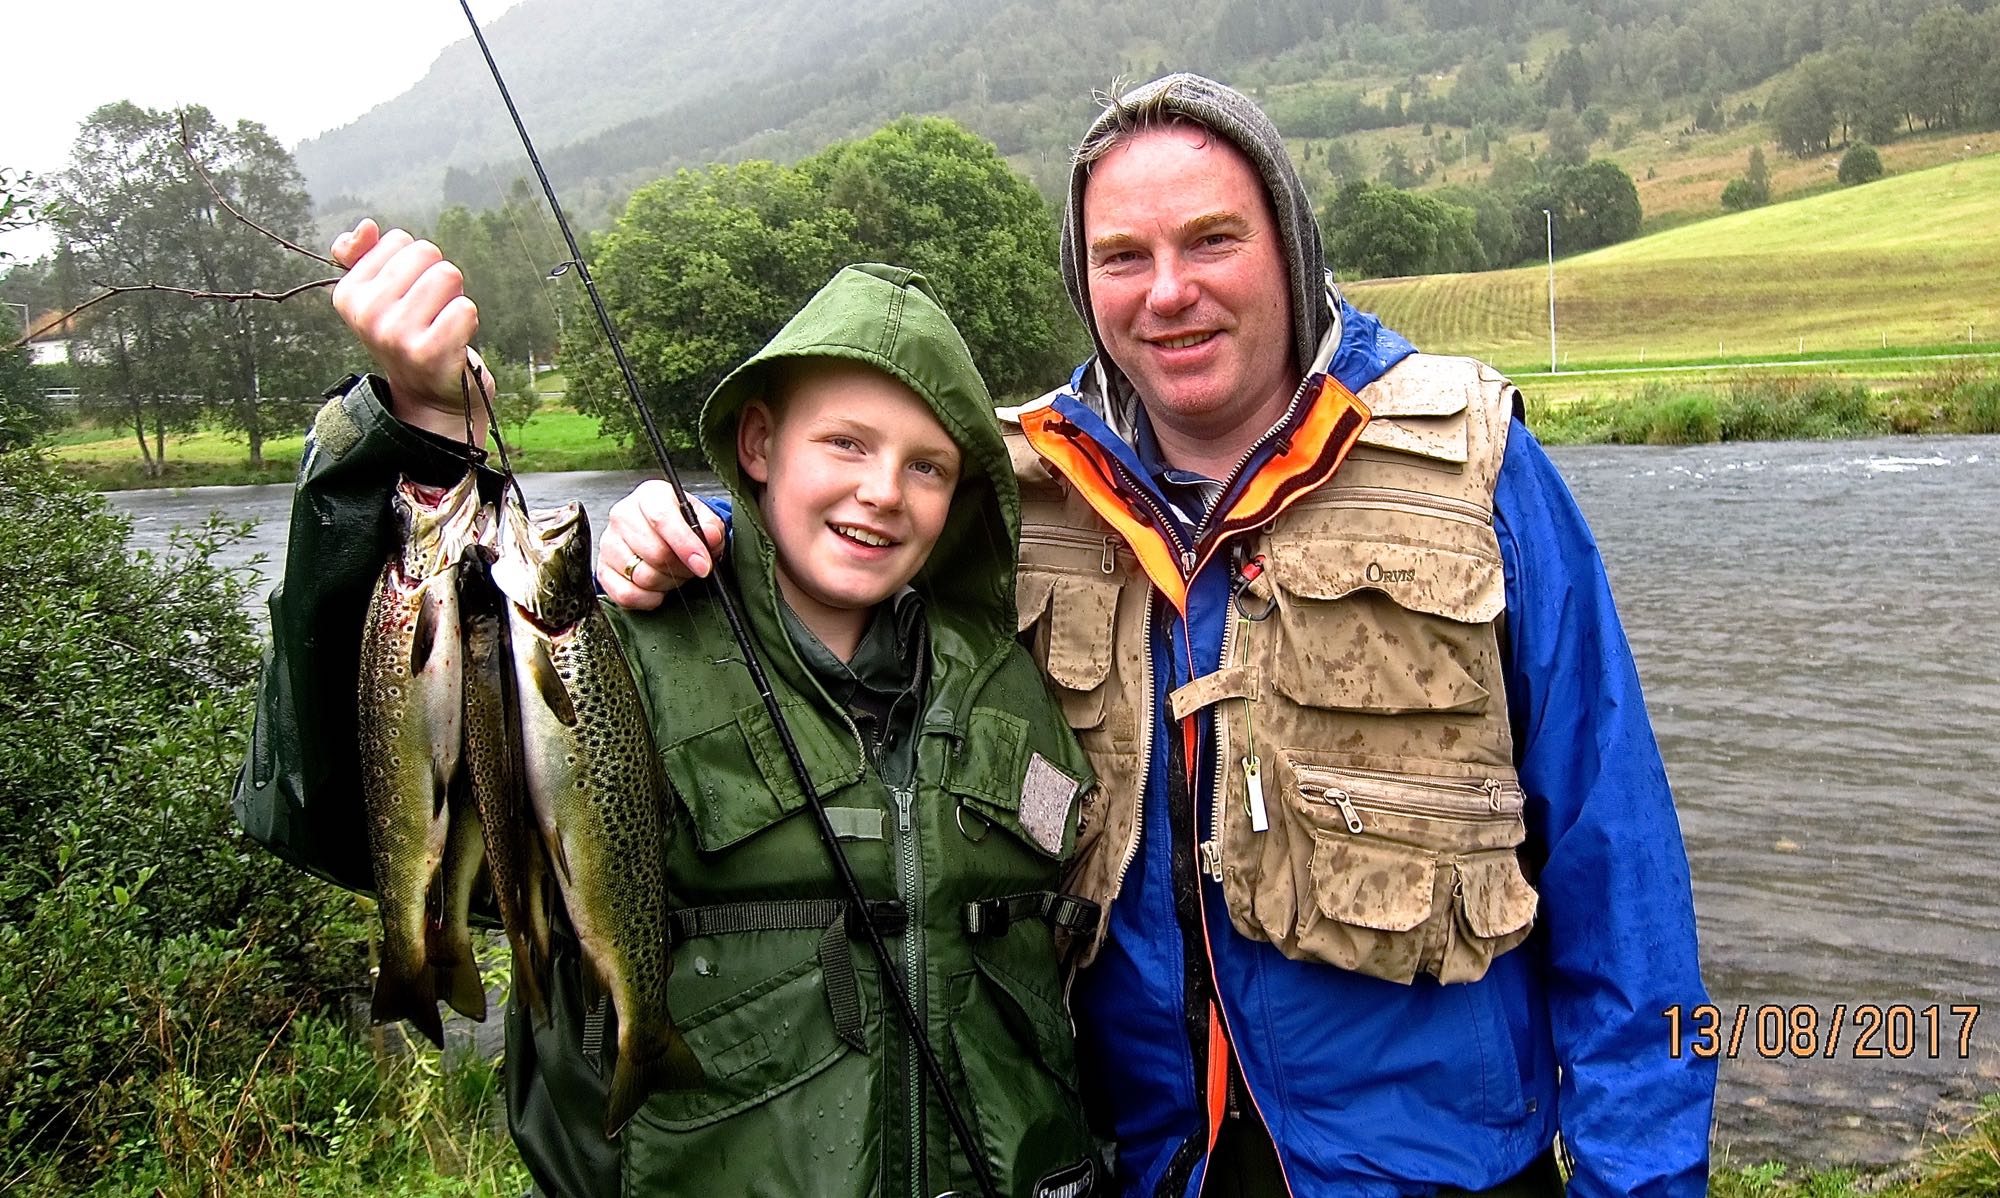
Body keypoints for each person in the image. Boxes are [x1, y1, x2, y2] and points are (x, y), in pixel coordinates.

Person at [599, 74, 1718, 1197]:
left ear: (1287, 242)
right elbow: (831, 607)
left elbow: (1616, 866)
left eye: (1211, 240)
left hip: (1436, 1174)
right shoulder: (1015, 500)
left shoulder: (1471, 465)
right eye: (1121, 256)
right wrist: (690, 545)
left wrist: (1646, 1177)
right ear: (1083, 283)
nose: (1167, 292)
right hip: (1136, 1168)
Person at [232, 222, 1105, 1197]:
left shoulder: (1013, 684)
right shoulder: (609, 659)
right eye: (845, 443)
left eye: (927, 465)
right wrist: (420, 429)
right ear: (760, 443)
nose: (881, 491)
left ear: (966, 496)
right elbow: (350, 795)